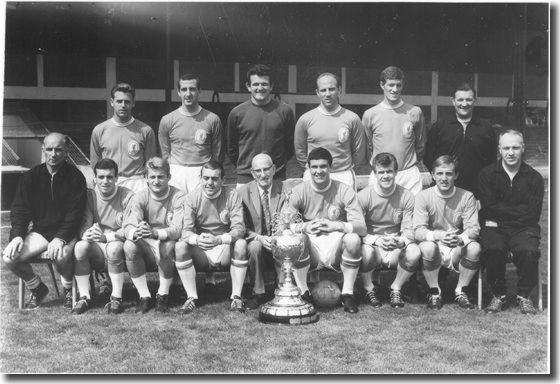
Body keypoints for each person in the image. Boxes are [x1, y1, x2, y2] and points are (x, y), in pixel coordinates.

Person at [2, 133, 87, 309]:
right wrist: (17, 235)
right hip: (40, 232)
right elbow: (20, 209)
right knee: (10, 258)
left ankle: (68, 288)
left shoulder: (76, 177)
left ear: (67, 151)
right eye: (49, 149)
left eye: (58, 150)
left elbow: (75, 214)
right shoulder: (31, 176)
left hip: (66, 232)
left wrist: (61, 238)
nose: (53, 154)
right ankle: (37, 287)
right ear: (43, 150)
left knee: (62, 255)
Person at [287, 147, 366, 313]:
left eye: (323, 166)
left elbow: (361, 227)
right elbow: (283, 225)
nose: (318, 171)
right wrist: (304, 226)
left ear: (331, 167)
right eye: (314, 167)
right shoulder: (299, 191)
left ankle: (347, 294)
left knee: (353, 240)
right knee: (296, 239)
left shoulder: (344, 189)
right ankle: (304, 293)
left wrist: (336, 225)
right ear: (308, 168)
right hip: (312, 245)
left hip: (335, 244)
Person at [478, 129, 544, 314]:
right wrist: (514, 212)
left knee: (529, 251)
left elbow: (533, 214)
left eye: (515, 147)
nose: (511, 152)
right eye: (506, 147)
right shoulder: (487, 174)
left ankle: (524, 295)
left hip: (524, 229)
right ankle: (498, 294)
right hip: (495, 229)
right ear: (499, 149)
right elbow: (488, 208)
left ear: (523, 148)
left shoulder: (534, 177)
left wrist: (500, 213)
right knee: (493, 248)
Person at [174, 161, 247, 313]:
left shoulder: (232, 195)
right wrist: (197, 239)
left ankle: (236, 297)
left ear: (223, 180)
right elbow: (185, 231)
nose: (210, 183)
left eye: (215, 178)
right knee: (180, 246)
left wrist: (219, 239)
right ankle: (191, 298)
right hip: (203, 249)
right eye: (206, 178)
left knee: (241, 244)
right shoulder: (192, 197)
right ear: (200, 178)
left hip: (224, 246)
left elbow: (239, 229)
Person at [414, 155, 481, 310]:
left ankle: (460, 290)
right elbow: (418, 230)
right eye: (439, 173)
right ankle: (434, 291)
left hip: (455, 244)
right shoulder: (423, 196)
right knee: (427, 247)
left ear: (456, 175)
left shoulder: (467, 196)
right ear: (432, 174)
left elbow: (473, 228)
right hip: (435, 244)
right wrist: (438, 235)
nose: (444, 178)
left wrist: (459, 239)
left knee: (474, 248)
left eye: (449, 174)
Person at [357, 153, 421, 308]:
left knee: (414, 252)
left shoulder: (406, 195)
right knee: (364, 252)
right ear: (375, 174)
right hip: (373, 246)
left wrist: (401, 241)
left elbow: (409, 229)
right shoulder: (363, 196)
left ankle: (396, 288)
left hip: (396, 245)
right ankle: (368, 288)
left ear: (396, 172)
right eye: (381, 172)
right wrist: (376, 240)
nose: (385, 176)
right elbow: (359, 229)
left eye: (389, 171)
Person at [122, 157, 185, 314]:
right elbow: (128, 224)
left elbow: (178, 229)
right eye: (152, 177)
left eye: (161, 177)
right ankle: (144, 296)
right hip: (147, 242)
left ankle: (162, 295)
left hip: (167, 241)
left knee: (168, 245)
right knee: (129, 245)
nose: (156, 181)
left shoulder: (179, 196)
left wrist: (156, 233)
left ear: (169, 177)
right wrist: (136, 231)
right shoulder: (140, 196)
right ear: (146, 178)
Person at [73, 158, 134, 314]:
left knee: (113, 248)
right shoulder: (90, 195)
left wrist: (107, 237)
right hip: (98, 244)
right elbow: (85, 223)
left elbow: (129, 228)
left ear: (116, 178)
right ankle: (84, 297)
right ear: (95, 179)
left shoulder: (127, 195)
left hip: (118, 242)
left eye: (109, 177)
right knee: (80, 246)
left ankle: (116, 297)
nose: (105, 181)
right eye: (101, 177)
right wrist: (87, 234)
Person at [424, 82, 497, 198]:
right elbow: (429, 158)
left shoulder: (486, 127)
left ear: (474, 101)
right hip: (445, 189)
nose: (464, 104)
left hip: (477, 192)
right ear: (453, 101)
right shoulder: (440, 126)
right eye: (460, 100)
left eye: (468, 99)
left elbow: (492, 161)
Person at [226, 64, 295, 186]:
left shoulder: (285, 111)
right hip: (246, 178)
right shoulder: (237, 113)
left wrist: (275, 168)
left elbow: (289, 147)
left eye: (264, 84)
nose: (260, 88)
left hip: (276, 177)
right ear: (248, 86)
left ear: (271, 86)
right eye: (255, 84)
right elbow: (231, 148)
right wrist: (247, 166)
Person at [362, 66, 427, 195]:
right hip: (382, 174)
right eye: (391, 85)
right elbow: (368, 146)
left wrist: (408, 162)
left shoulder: (415, 112)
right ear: (382, 85)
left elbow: (420, 144)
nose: (395, 89)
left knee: (411, 214)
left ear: (403, 85)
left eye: (398, 85)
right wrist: (379, 166)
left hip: (408, 175)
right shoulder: (370, 114)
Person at [294, 73, 366, 189]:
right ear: (317, 92)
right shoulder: (305, 119)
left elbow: (359, 151)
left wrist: (344, 168)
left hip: (343, 175)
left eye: (332, 89)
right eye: (323, 90)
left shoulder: (352, 118)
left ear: (339, 90)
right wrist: (313, 169)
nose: (327, 94)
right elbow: (300, 151)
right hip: (315, 175)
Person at [238, 154, 291, 309]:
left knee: (285, 244)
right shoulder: (242, 192)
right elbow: (241, 226)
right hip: (257, 241)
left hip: (278, 238)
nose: (263, 174)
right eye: (258, 171)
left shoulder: (286, 190)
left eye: (266, 169)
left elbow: (289, 217)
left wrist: (277, 236)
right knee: (254, 247)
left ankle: (282, 288)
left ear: (274, 169)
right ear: (253, 173)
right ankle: (258, 293)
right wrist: (259, 238)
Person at [158, 74, 223, 193]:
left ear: (199, 91)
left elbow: (216, 153)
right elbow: (165, 152)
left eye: (192, 89)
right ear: (178, 92)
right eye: (184, 89)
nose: (188, 94)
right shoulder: (167, 120)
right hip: (177, 172)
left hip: (202, 171)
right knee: (178, 209)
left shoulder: (212, 119)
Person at [90, 83, 157, 192]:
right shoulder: (99, 130)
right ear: (112, 102)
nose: (123, 105)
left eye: (127, 101)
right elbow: (95, 162)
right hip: (109, 182)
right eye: (119, 101)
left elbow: (150, 163)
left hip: (136, 184)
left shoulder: (146, 130)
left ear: (133, 103)